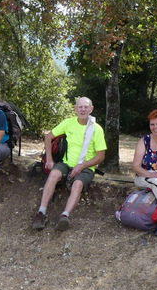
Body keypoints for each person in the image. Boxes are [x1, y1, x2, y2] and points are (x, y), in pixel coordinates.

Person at [33, 97, 107, 232]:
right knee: (54, 174)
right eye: (80, 107)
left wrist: (81, 166)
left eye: (86, 107)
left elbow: (101, 156)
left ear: (91, 109)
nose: (83, 109)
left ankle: (65, 216)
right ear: (75, 109)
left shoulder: (96, 129)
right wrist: (49, 159)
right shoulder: (68, 123)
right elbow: (48, 137)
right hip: (66, 163)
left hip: (86, 167)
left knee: (77, 184)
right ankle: (41, 213)